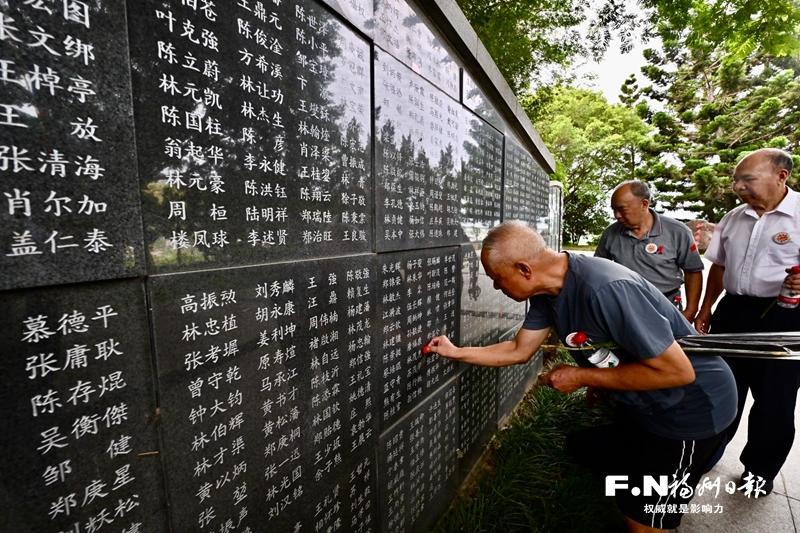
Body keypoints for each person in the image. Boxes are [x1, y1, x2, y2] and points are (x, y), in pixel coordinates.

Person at [426, 221, 737, 533]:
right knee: (587, 449)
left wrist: (585, 376)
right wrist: (456, 352)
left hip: (690, 409)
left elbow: (678, 371)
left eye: (497, 278)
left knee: (644, 521)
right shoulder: (548, 291)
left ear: (524, 269)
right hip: (647, 404)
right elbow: (519, 350)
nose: (496, 287)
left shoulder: (606, 289)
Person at [694, 147, 800, 495]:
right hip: (734, 312)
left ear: (781, 176)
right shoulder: (734, 218)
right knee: (721, 389)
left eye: (748, 179)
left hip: (785, 317)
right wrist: (707, 307)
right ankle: (704, 458)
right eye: (736, 180)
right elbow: (719, 266)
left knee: (775, 402)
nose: (738, 186)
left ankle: (759, 472)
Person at [595, 180, 704, 321]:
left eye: (622, 209)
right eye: (614, 210)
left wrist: (691, 310)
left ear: (644, 204)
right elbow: (598, 272)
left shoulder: (678, 232)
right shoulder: (610, 234)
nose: (617, 215)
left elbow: (693, 271)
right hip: (624, 309)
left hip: (666, 307)